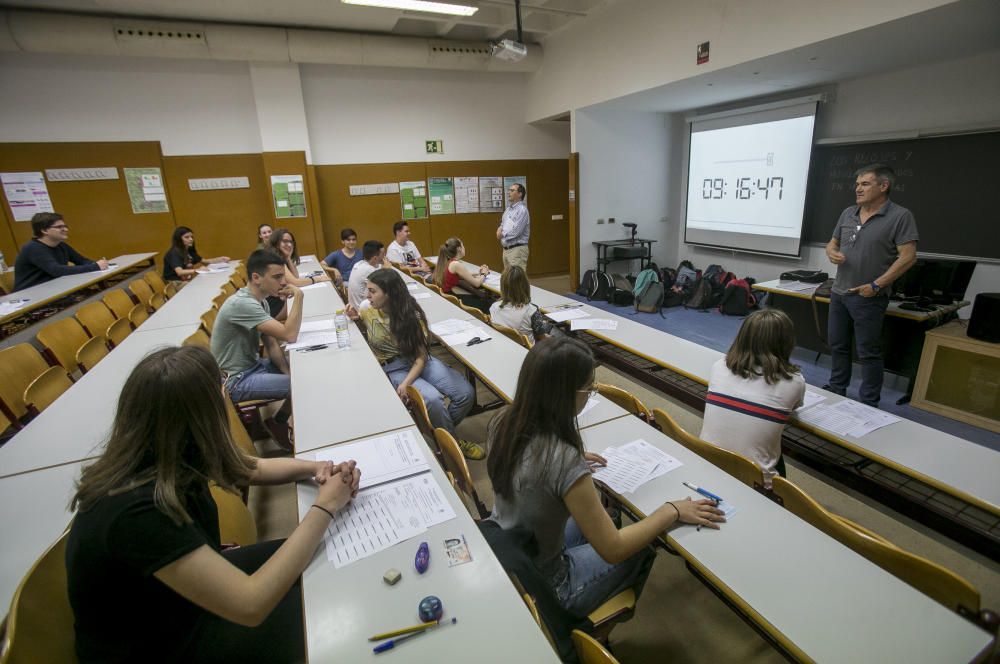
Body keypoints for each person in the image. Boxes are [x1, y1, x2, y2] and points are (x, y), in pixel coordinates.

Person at [66, 344, 361, 664]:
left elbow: (248, 467)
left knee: (321, 554)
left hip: (173, 606)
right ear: (201, 416)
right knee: (319, 609)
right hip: (162, 644)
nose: (226, 391)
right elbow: (251, 604)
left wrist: (316, 468)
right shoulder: (133, 510)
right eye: (220, 385)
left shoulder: (165, 451)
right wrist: (326, 506)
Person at [487, 336, 724, 617]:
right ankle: (595, 629)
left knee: (608, 518)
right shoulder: (562, 458)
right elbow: (614, 549)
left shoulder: (503, 420)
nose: (590, 394)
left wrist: (566, 464)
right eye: (589, 388)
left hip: (508, 546)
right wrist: (671, 510)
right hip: (547, 584)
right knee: (644, 546)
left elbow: (537, 468)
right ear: (566, 395)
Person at [346, 268, 482, 459]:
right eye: (367, 290)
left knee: (466, 394)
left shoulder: (411, 315)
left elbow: (421, 358)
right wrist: (356, 320)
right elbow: (369, 330)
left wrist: (406, 383)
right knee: (433, 400)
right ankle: (452, 444)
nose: (367, 295)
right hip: (392, 367)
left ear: (390, 293)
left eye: (372, 291)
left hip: (418, 361)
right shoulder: (366, 308)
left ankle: (437, 438)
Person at [825, 164, 918, 407]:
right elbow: (831, 244)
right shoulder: (848, 213)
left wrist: (876, 285)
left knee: (868, 353)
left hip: (868, 296)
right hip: (839, 292)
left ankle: (868, 402)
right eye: (857, 184)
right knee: (838, 345)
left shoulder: (900, 216)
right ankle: (837, 389)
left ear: (884, 186)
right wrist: (832, 252)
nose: (858, 188)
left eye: (865, 184)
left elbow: (908, 256)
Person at [700, 309, 806, 488]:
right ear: (787, 342)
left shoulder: (719, 366)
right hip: (756, 483)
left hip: (708, 462)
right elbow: (794, 408)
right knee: (772, 446)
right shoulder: (794, 382)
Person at [211, 249, 304, 450]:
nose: (283, 282)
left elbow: (271, 342)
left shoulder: (260, 301)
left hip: (253, 366)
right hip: (235, 379)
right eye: (277, 277)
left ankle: (276, 422)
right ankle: (280, 423)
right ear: (256, 277)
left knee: (301, 373)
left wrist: (287, 373)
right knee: (303, 384)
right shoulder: (242, 304)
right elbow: (289, 334)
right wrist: (298, 296)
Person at [13, 212, 108, 291]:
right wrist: (95, 267)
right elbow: (58, 271)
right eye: (59, 227)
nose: (66, 229)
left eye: (65, 226)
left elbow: (82, 260)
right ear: (44, 230)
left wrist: (95, 264)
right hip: (33, 294)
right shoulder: (33, 248)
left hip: (54, 288)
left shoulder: (60, 244)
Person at [489, 266, 551, 344]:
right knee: (555, 331)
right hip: (528, 351)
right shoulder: (531, 310)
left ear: (503, 285)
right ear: (525, 285)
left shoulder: (494, 307)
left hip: (505, 345)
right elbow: (543, 339)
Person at [431, 237, 493, 313]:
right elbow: (477, 283)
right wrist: (484, 274)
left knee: (480, 296)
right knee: (486, 304)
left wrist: (479, 273)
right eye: (463, 246)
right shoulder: (456, 264)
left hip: (447, 296)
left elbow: (462, 275)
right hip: (453, 299)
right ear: (459, 248)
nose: (464, 248)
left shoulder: (448, 261)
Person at [162, 226, 230, 282]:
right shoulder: (174, 252)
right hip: (175, 282)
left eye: (191, 237)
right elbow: (179, 272)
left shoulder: (189, 250)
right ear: (179, 239)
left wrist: (220, 259)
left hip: (186, 279)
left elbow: (206, 261)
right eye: (187, 237)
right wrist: (198, 270)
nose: (191, 239)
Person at [347, 239, 388, 310]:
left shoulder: (358, 264)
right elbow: (388, 283)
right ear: (375, 258)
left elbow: (377, 268)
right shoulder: (369, 270)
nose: (385, 257)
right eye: (383, 254)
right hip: (363, 310)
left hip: (354, 307)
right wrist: (388, 270)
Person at [497, 182, 529, 272]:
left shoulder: (522, 210)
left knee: (517, 279)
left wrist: (502, 234)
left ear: (520, 194)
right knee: (508, 279)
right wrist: (499, 229)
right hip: (506, 249)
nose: (509, 192)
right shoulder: (508, 209)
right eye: (509, 190)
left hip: (517, 250)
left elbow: (517, 231)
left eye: (512, 190)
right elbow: (503, 223)